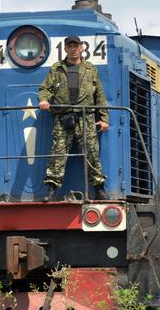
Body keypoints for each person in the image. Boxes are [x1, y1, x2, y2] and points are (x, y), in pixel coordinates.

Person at [38, 35, 109, 201]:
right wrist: (43, 100)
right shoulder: (57, 68)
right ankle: (51, 189)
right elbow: (44, 88)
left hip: (86, 117)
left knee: (91, 153)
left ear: (81, 48)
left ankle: (99, 189)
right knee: (58, 153)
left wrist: (104, 119)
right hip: (63, 117)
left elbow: (100, 95)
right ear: (65, 49)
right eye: (70, 46)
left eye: (76, 46)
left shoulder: (91, 69)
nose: (73, 49)